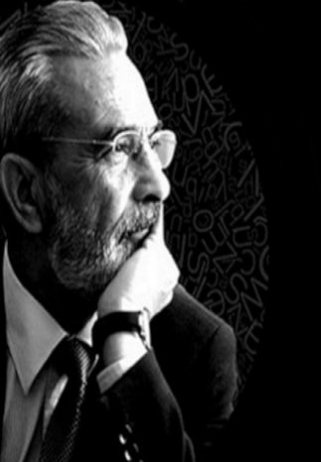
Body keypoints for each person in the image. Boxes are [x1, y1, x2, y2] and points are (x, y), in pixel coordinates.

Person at [0, 1, 238, 461]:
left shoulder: (199, 355)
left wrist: (125, 337)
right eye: (120, 148)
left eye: (153, 143)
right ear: (27, 193)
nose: (160, 185)